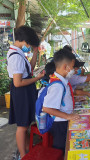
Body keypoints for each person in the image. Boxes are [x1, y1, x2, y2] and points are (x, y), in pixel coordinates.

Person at [7, 26, 45, 159]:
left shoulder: (18, 53)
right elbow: (18, 82)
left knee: (26, 123)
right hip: (21, 92)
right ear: (23, 41)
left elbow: (30, 70)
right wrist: (38, 78)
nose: (28, 46)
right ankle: (23, 155)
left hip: (25, 91)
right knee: (22, 126)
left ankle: (27, 149)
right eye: (29, 44)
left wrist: (35, 52)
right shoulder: (16, 57)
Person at [42, 49, 80, 154]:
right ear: (65, 67)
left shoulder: (60, 80)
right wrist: (68, 116)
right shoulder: (57, 85)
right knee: (60, 149)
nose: (73, 70)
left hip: (61, 120)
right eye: (72, 67)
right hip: (59, 123)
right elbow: (47, 108)